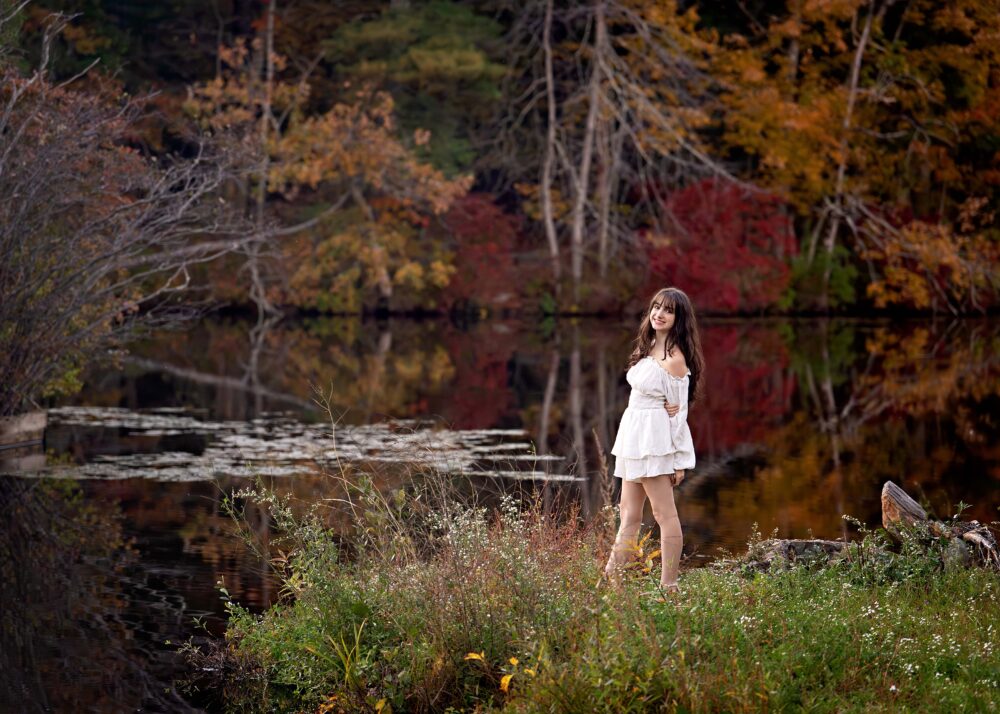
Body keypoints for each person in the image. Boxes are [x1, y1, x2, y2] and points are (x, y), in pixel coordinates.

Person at [603, 286, 704, 594]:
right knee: (629, 514)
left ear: (679, 318)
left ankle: (669, 585)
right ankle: (612, 579)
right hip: (633, 436)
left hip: (655, 442)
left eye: (668, 310)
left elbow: (678, 416)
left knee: (664, 514)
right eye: (656, 307)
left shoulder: (675, 360)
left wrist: (678, 462)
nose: (659, 314)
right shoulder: (647, 348)